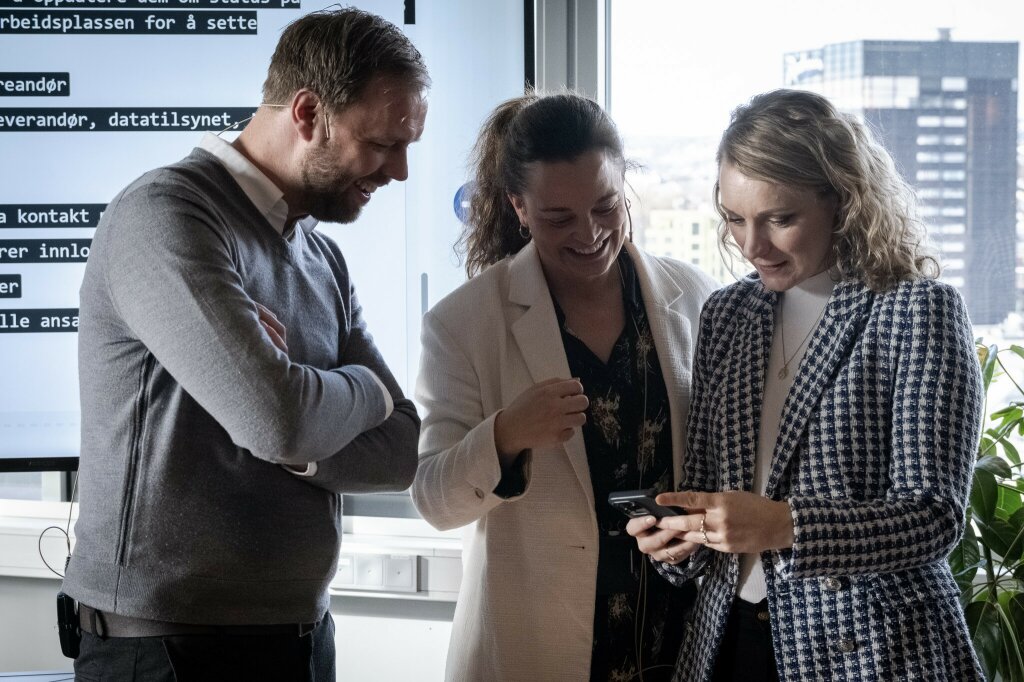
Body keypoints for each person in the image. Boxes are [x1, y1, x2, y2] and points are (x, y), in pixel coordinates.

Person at [60, 7, 428, 681]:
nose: (398, 171)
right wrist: (362, 391)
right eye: (382, 145)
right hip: (168, 650)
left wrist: (303, 429)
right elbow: (277, 418)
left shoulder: (321, 257)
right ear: (309, 113)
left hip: (301, 639)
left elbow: (403, 445)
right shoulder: (167, 215)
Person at [627, 88, 985, 682]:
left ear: (844, 202)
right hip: (730, 642)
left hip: (874, 653)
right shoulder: (727, 315)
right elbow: (711, 492)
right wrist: (677, 539)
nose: (751, 245)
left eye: (780, 219)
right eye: (735, 219)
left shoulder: (917, 310)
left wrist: (782, 525)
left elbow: (934, 518)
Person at [412, 91, 718, 681]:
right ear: (518, 207)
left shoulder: (697, 297)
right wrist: (503, 436)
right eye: (559, 218)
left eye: (606, 206)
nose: (590, 233)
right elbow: (432, 500)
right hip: (539, 643)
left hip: (678, 641)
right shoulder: (462, 324)